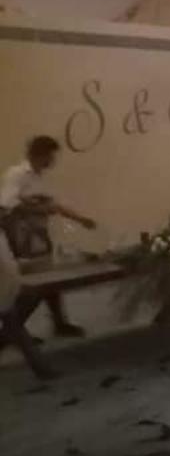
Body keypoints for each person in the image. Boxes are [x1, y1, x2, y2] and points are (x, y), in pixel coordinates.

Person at [0, 135, 97, 338]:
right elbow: (7, 205)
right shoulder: (17, 174)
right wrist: (37, 208)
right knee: (30, 287)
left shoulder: (41, 178)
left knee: (50, 280)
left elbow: (54, 205)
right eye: (50, 156)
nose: (53, 160)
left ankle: (59, 323)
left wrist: (81, 219)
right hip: (22, 238)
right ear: (40, 154)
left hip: (40, 236)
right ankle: (14, 332)